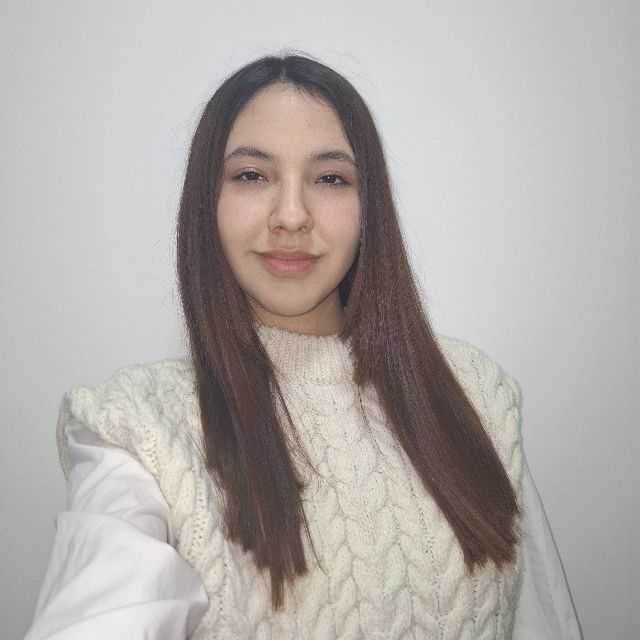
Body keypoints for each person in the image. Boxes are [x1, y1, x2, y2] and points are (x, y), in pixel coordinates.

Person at [25, 52, 582, 639]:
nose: (291, 216)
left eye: (330, 179)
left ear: (369, 209)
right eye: (251, 175)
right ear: (206, 203)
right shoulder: (138, 428)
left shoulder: (471, 393)